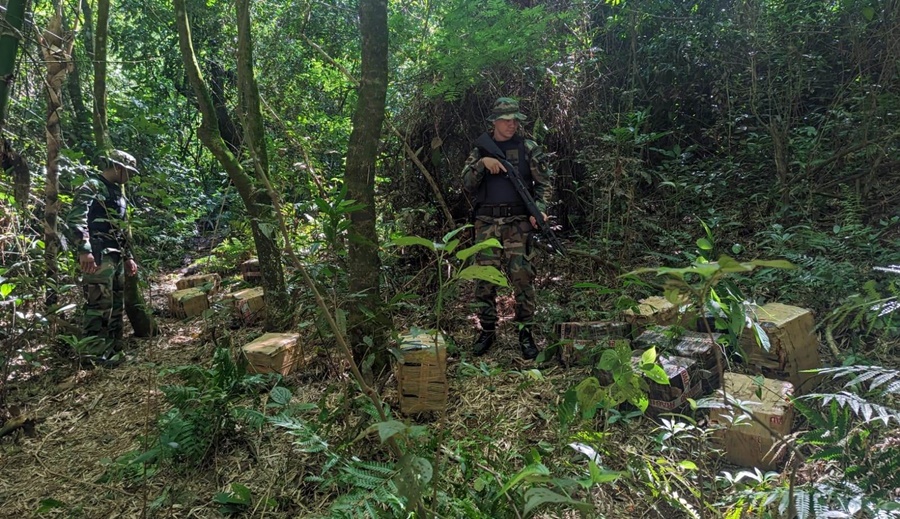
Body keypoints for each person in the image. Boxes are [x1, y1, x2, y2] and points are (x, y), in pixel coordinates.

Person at [462, 97, 553, 360]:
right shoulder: (480, 150)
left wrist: (540, 209)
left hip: (518, 224)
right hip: (487, 224)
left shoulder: (528, 148)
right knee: (485, 280)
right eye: (506, 120)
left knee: (522, 278)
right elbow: (466, 183)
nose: (512, 124)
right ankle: (487, 330)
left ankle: (525, 333)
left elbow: (544, 183)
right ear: (494, 122)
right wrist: (482, 164)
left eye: (515, 120)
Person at [70, 150, 139, 365]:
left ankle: (113, 351)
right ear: (118, 168)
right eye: (128, 172)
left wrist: (128, 256)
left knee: (115, 304)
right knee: (98, 304)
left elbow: (120, 227)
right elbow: (76, 218)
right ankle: (93, 356)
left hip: (116, 255)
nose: (130, 177)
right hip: (98, 255)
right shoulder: (92, 186)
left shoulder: (117, 193)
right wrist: (85, 250)